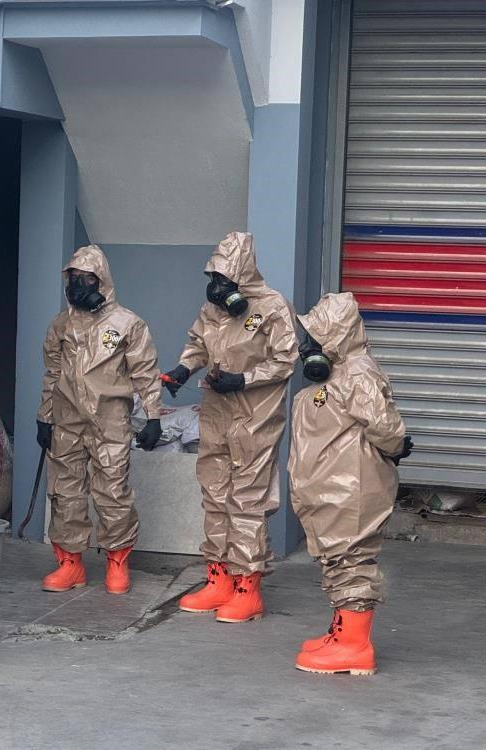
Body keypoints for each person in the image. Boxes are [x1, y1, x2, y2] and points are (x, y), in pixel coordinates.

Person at [164, 231, 296, 623]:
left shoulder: (271, 307)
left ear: (241, 276)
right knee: (214, 494)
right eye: (212, 277)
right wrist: (183, 368)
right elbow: (198, 345)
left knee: (248, 501)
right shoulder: (213, 310)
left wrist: (244, 379)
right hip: (217, 413)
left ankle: (247, 587)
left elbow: (286, 360)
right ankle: (218, 578)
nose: (216, 286)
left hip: (255, 417)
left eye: (223, 278)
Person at [289, 292, 411, 675]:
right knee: (337, 558)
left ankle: (355, 646)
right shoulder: (338, 372)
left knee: (351, 559)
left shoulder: (357, 372)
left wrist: (396, 447)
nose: (306, 345)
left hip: (351, 486)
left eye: (314, 336)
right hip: (331, 486)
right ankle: (342, 632)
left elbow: (386, 428)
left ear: (336, 334)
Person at [36, 244, 163, 595]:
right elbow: (52, 373)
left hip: (110, 420)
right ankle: (70, 564)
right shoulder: (61, 325)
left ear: (102, 280)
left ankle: (117, 561)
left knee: (113, 491)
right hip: (67, 419)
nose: (78, 284)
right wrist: (44, 417)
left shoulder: (127, 324)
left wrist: (153, 416)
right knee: (65, 491)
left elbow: (145, 373)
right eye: (73, 277)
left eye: (86, 278)